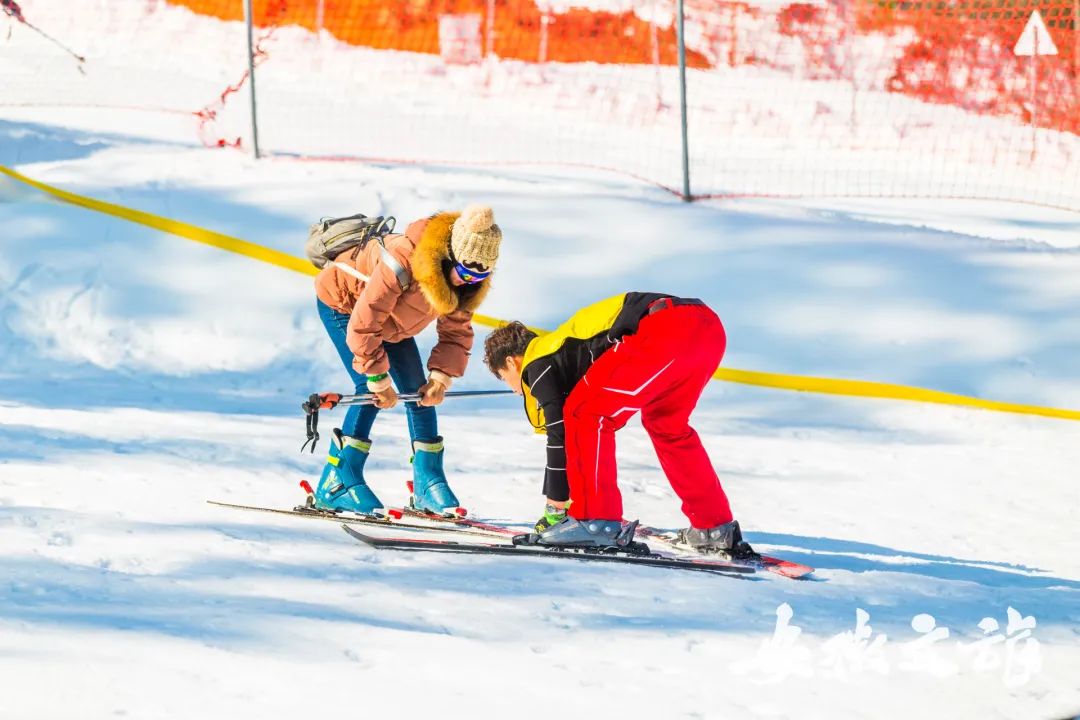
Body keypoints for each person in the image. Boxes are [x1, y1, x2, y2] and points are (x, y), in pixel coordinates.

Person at [482, 292, 751, 555]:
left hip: (665, 327)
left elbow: (559, 432)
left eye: (504, 378)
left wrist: (555, 507)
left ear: (511, 362)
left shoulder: (537, 362)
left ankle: (595, 520)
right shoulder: (559, 348)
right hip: (706, 328)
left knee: (584, 413)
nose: (515, 390)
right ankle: (713, 527)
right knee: (667, 425)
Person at [313, 204, 502, 516]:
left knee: (419, 392)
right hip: (345, 307)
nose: (469, 280)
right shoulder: (403, 260)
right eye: (466, 271)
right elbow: (365, 322)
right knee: (368, 389)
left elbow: (456, 331)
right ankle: (337, 482)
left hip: (392, 322)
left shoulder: (468, 282)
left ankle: (428, 482)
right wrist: (378, 378)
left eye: (481, 275)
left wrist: (441, 378)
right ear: (450, 256)